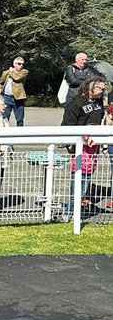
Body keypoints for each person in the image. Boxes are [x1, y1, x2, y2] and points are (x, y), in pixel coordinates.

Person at [61, 76, 106, 217]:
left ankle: (78, 206)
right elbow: (67, 125)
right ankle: (71, 210)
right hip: (79, 147)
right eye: (100, 88)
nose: (103, 91)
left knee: (87, 175)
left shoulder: (99, 102)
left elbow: (100, 120)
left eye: (104, 89)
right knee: (79, 175)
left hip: (94, 147)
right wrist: (83, 139)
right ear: (90, 87)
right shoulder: (75, 103)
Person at [0, 56, 29, 126]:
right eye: (19, 64)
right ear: (14, 64)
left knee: (19, 119)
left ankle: (19, 134)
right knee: (4, 117)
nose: (21, 66)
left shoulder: (24, 72)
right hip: (6, 97)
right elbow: (0, 83)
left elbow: (17, 78)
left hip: (18, 98)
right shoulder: (6, 72)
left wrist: (11, 71)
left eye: (22, 64)